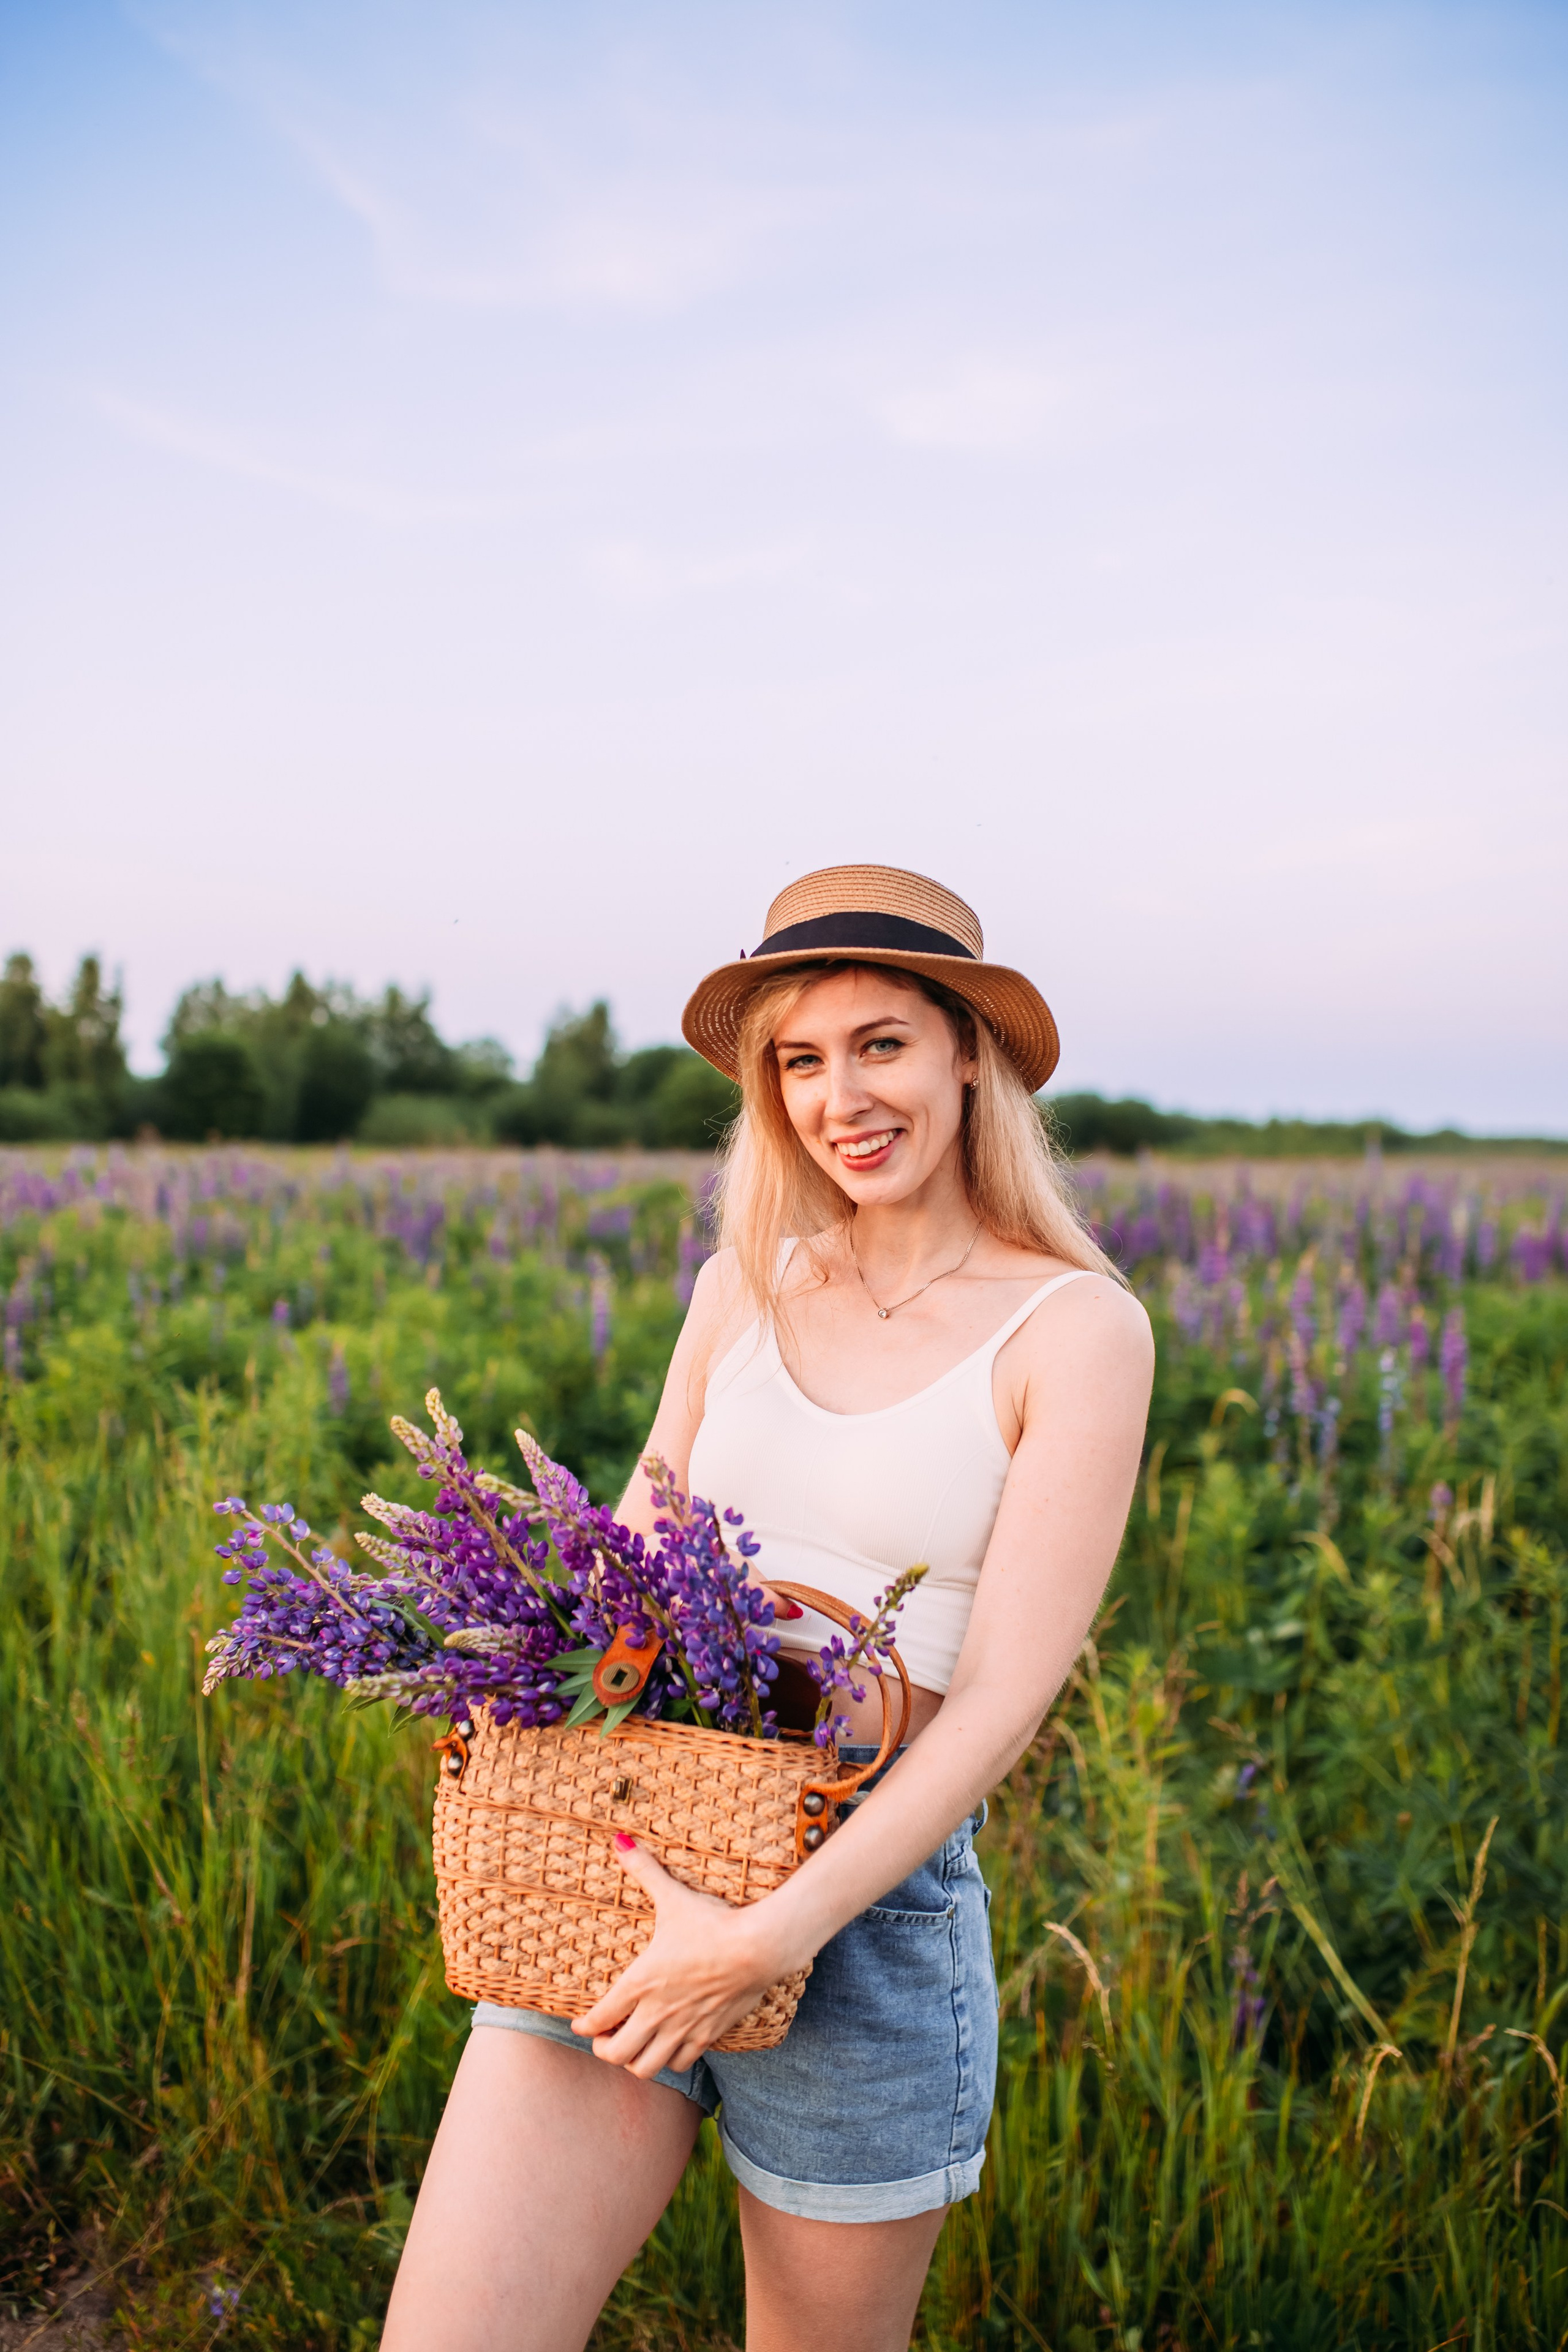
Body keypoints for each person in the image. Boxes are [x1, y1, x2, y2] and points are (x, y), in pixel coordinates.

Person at [383, 864, 1153, 2352]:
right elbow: (625, 1568)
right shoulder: (740, 1286)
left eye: (879, 1044)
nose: (837, 1096)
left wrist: (769, 1934)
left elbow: (999, 1697)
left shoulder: (1071, 1328)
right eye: (799, 1059)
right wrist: (517, 1673)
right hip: (630, 1847)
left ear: (968, 1055)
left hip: (861, 1919)